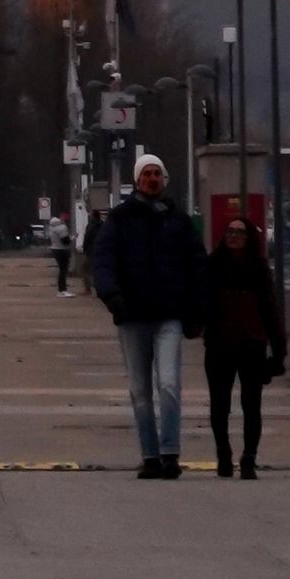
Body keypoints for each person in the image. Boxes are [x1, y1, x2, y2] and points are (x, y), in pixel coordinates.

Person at [91, 155, 208, 478]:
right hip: (132, 316)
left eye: (157, 173)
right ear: (138, 180)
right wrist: (112, 296)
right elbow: (103, 260)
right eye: (147, 174)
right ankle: (150, 455)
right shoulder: (119, 219)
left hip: (169, 315)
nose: (152, 179)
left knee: (169, 384)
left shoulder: (179, 221)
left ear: (164, 179)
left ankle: (170, 453)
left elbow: (198, 265)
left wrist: (198, 310)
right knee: (140, 390)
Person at [203, 213, 285, 478]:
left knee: (251, 404)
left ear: (249, 238)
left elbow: (271, 310)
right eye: (230, 232)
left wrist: (279, 350)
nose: (234, 236)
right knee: (219, 403)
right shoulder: (213, 265)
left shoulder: (259, 269)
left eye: (239, 232)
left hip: (252, 343)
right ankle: (223, 453)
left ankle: (249, 457)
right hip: (219, 343)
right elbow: (200, 302)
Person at [45, 212, 72, 294]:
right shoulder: (62, 228)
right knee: (64, 270)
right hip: (62, 250)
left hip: (55, 249)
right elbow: (65, 241)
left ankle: (61, 290)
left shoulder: (51, 228)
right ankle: (63, 290)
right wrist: (72, 239)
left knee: (61, 270)